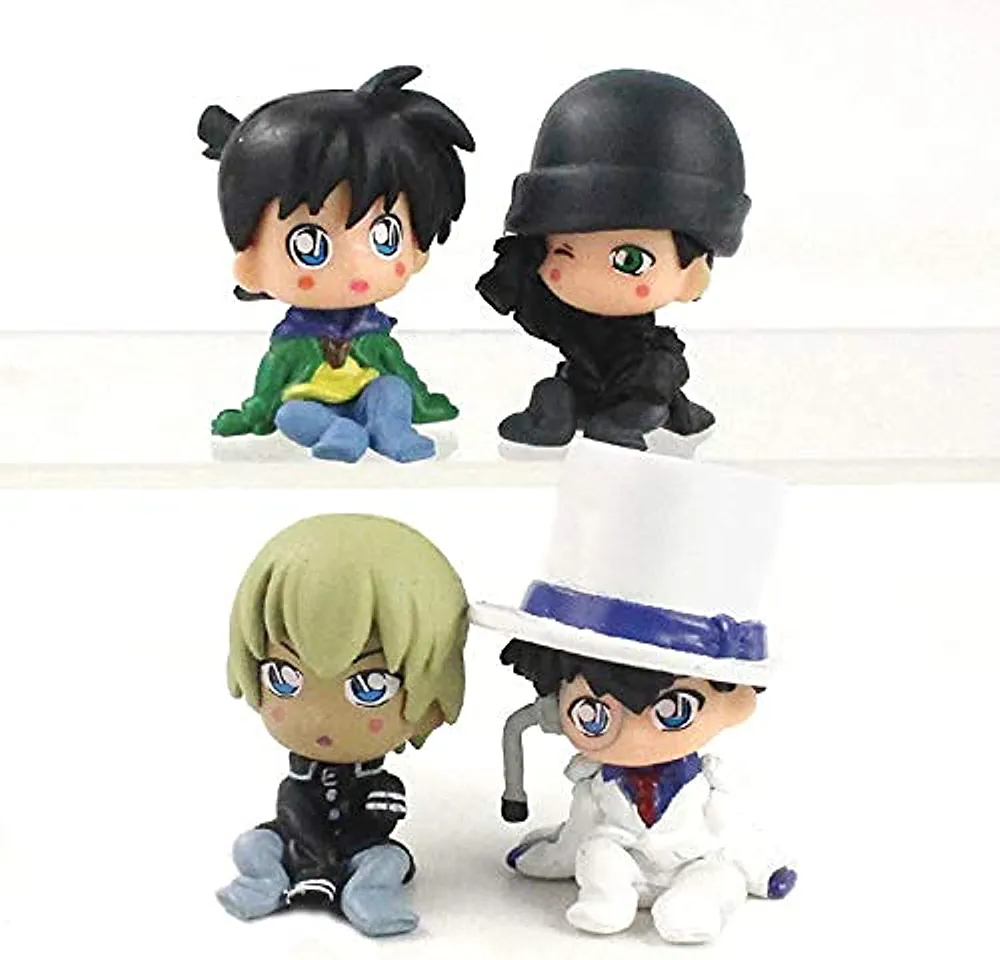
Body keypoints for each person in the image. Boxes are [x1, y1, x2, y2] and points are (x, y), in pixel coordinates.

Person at [472, 441, 796, 943]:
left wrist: (764, 869)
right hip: (620, 851)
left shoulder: (711, 786)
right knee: (596, 853)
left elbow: (734, 833)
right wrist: (553, 857)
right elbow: (578, 834)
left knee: (718, 875)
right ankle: (606, 899)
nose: (634, 734)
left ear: (735, 705)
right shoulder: (594, 784)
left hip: (696, 858)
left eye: (673, 711)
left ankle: (693, 909)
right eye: (593, 714)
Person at [198, 66, 474, 462]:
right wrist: (252, 415)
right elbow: (268, 390)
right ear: (251, 266)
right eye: (309, 245)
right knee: (291, 415)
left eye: (383, 235)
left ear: (416, 247)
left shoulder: (374, 334)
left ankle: (391, 429)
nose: (356, 266)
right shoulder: (291, 344)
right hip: (310, 403)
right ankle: (337, 433)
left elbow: (401, 372)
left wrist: (423, 401)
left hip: (371, 392)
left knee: (392, 389)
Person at [216, 514, 468, 936]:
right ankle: (265, 881)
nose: (319, 717)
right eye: (284, 677)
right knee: (252, 845)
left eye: (370, 687)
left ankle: (367, 893)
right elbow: (294, 810)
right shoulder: (298, 783)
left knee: (391, 860)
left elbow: (381, 821)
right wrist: (314, 861)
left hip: (360, 846)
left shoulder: (374, 778)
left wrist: (380, 810)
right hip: (294, 843)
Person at [477, 70, 750, 450]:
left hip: (635, 389)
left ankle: (621, 424)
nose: (585, 276)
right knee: (554, 389)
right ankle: (554, 421)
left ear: (694, 276)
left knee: (648, 402)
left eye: (630, 261)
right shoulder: (564, 322)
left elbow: (660, 382)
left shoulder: (655, 357)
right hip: (580, 383)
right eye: (563, 251)